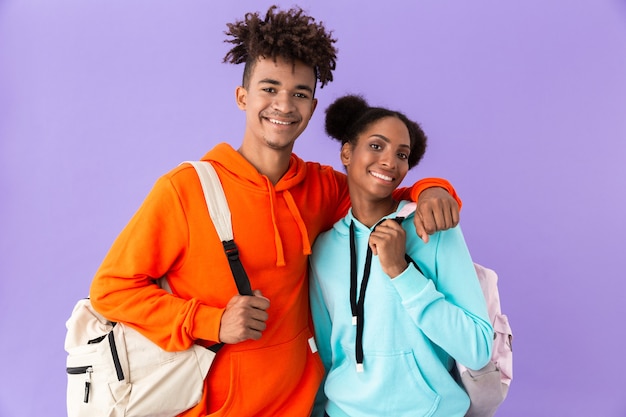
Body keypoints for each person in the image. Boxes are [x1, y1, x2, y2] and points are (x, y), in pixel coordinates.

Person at [89, 6, 462, 417]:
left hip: (300, 406)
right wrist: (209, 321)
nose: (284, 105)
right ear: (242, 96)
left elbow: (382, 188)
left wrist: (433, 191)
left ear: (313, 105)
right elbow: (112, 289)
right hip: (214, 408)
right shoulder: (185, 190)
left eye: (299, 93)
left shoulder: (320, 187)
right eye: (269, 88)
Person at [309, 95, 493, 417]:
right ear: (347, 152)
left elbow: (477, 348)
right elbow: (328, 354)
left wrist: (401, 271)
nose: (390, 162)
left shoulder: (432, 231)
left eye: (402, 154)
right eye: (377, 146)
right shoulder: (324, 250)